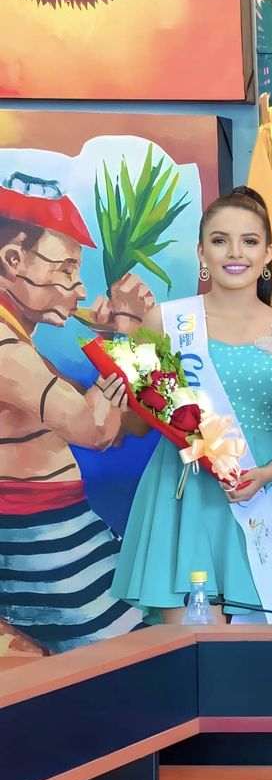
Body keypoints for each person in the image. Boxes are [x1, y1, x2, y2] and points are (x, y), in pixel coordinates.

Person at [110, 188, 272, 624]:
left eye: (249, 241)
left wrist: (266, 475)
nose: (235, 252)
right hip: (184, 494)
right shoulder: (166, 321)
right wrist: (121, 401)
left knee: (267, 649)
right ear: (202, 252)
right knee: (190, 649)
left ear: (267, 254)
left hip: (265, 493)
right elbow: (139, 426)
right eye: (221, 240)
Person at [0, 175, 148, 649]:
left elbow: (121, 424)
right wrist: (126, 330)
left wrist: (113, 340)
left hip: (62, 536)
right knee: (130, 657)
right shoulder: (5, 348)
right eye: (65, 269)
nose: (80, 291)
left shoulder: (21, 345)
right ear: (13, 260)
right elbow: (95, 428)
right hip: (39, 548)